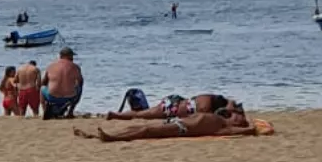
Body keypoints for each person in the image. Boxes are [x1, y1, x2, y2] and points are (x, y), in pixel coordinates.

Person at [77, 108, 260, 142]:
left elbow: (248, 131)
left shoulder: (223, 127)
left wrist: (250, 127)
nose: (237, 118)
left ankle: (111, 138)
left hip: (180, 129)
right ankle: (102, 135)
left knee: (146, 130)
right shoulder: (218, 117)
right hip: (176, 123)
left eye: (239, 119)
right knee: (138, 128)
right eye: (237, 115)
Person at [108, 94, 239, 121]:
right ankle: (115, 115)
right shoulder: (205, 108)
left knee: (143, 113)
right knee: (140, 115)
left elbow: (230, 102)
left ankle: (116, 115)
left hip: (175, 101)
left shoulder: (208, 97)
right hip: (172, 108)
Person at [42, 48, 84, 119]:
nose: (73, 58)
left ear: (60, 56)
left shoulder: (51, 66)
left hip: (52, 97)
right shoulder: (75, 67)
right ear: (69, 56)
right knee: (80, 87)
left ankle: (44, 110)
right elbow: (81, 82)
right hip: (70, 97)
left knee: (42, 88)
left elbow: (43, 82)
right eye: (72, 56)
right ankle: (70, 112)